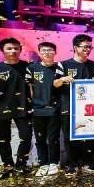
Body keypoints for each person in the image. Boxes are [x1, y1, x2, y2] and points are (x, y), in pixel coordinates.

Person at [0, 37, 33, 179]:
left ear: (20, 50)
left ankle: (21, 165)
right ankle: (8, 166)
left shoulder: (28, 67)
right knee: (4, 139)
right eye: (9, 48)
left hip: (24, 107)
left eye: (16, 48)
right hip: (1, 109)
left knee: (26, 137)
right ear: (2, 50)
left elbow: (33, 87)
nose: (13, 51)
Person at [54, 34, 94, 174]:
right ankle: (72, 164)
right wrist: (62, 79)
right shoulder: (63, 65)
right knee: (69, 136)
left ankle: (87, 162)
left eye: (90, 47)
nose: (88, 50)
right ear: (75, 47)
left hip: (88, 108)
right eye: (85, 47)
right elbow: (55, 83)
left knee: (88, 135)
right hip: (68, 106)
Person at [26, 41, 61, 177]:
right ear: (39, 53)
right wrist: (32, 105)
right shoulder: (32, 68)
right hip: (38, 109)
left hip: (54, 109)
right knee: (40, 139)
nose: (47, 53)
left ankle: (54, 163)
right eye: (44, 50)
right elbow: (29, 88)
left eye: (50, 50)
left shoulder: (59, 67)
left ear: (55, 52)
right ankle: (43, 163)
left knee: (53, 138)